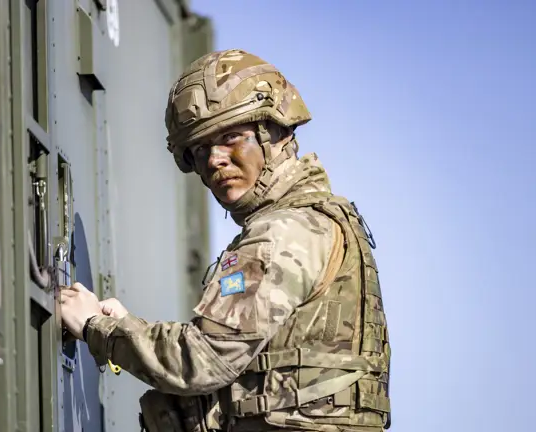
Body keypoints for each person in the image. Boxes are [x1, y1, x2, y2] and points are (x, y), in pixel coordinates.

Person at [60, 49, 392, 432]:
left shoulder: (283, 231)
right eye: (200, 149)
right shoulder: (320, 219)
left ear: (276, 133)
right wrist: (129, 324)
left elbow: (203, 361)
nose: (215, 159)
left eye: (232, 137)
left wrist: (95, 327)